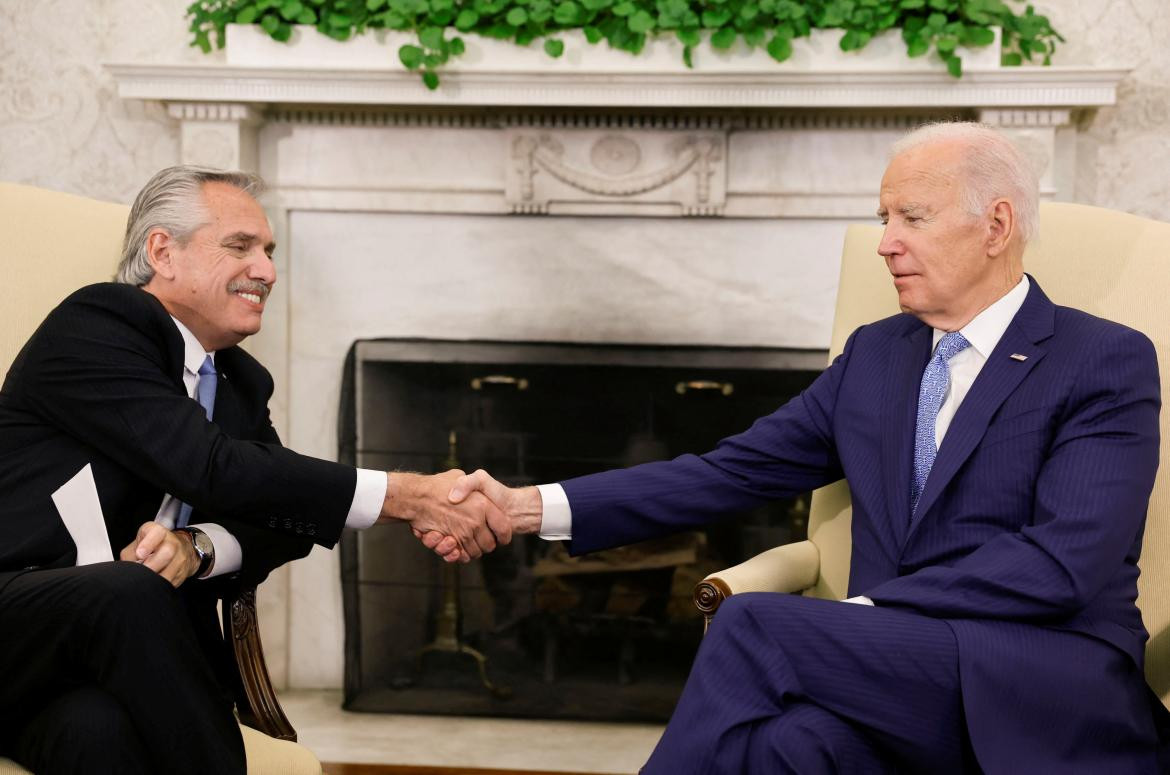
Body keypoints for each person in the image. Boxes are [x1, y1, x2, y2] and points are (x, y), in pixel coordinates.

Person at [431, 122, 1170, 772]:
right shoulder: (877, 354)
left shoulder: (1100, 358)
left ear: (996, 225)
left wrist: (870, 609)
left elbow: (1063, 562)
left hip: (1038, 675)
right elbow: (727, 472)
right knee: (784, 745)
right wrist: (525, 508)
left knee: (754, 620)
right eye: (883, 217)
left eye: (912, 216)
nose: (885, 242)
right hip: (894, 678)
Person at [0, 166, 507, 774]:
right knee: (130, 589)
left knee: (98, 736)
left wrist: (199, 547)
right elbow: (212, 468)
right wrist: (404, 495)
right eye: (240, 246)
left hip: (75, 678)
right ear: (163, 251)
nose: (266, 270)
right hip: (17, 623)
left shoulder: (237, 381)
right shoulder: (97, 326)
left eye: (268, 251)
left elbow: (283, 517)